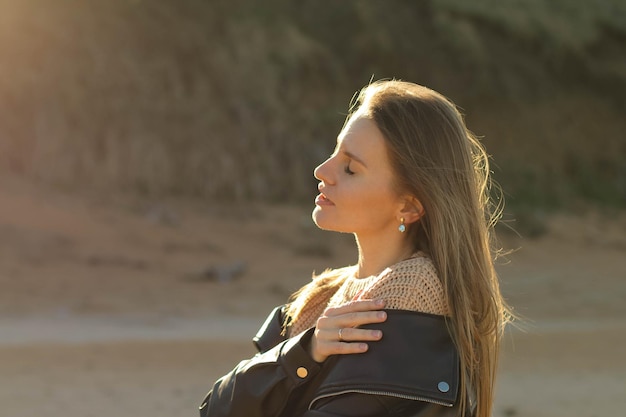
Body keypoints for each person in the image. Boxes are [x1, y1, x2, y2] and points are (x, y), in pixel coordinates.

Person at [198, 80, 511, 417]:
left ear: (409, 205)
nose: (322, 171)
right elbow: (214, 410)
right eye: (334, 152)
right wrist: (306, 350)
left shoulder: (411, 299)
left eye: (350, 168)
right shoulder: (324, 296)